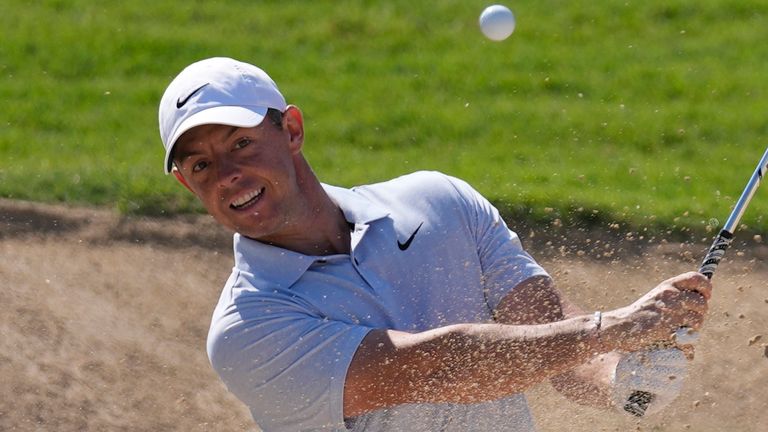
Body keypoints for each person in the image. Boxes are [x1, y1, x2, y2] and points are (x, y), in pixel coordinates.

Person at [157, 57, 711, 431]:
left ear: (293, 130)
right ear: (187, 182)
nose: (228, 173)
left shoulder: (441, 203)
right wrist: (611, 329)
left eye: (242, 143)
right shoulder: (248, 327)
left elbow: (545, 336)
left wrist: (619, 378)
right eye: (202, 164)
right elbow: (436, 367)